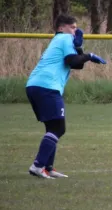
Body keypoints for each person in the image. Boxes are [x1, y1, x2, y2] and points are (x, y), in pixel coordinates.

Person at [26, 14, 107, 178]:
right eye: (72, 27)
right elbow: (73, 61)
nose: (75, 31)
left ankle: (47, 167)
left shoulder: (59, 40)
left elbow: (77, 65)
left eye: (76, 28)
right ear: (61, 28)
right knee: (58, 128)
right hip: (46, 86)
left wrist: (79, 49)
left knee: (52, 127)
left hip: (37, 85)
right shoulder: (64, 38)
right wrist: (89, 56)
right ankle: (37, 166)